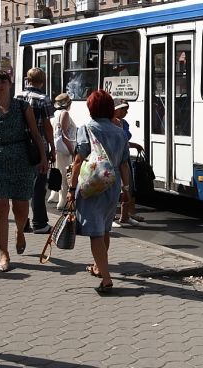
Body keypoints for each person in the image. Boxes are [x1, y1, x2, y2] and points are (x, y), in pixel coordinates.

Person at [0, 69, 48, 272]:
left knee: (21, 207)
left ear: (9, 84)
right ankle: (4, 254)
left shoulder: (23, 106)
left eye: (2, 81)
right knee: (0, 210)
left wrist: (43, 158)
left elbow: (36, 134)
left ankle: (19, 230)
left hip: (22, 162)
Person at [66, 90, 132, 294]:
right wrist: (126, 189)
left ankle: (106, 278)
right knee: (104, 229)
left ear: (91, 108)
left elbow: (78, 161)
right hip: (112, 186)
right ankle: (98, 267)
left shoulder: (87, 128)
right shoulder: (119, 131)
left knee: (95, 233)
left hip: (92, 185)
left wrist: (71, 187)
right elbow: (124, 164)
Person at [15, 67, 56, 235]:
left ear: (28, 80)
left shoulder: (18, 96)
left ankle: (22, 222)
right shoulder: (43, 99)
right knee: (38, 185)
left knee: (22, 185)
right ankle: (39, 223)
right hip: (38, 146)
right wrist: (52, 147)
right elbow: (47, 127)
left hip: (20, 145)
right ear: (43, 81)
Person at [111, 99, 143, 228]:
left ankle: (125, 216)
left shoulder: (124, 123)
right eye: (123, 109)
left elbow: (124, 142)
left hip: (125, 158)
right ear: (115, 109)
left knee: (127, 186)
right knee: (113, 188)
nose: (126, 112)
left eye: (127, 109)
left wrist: (133, 145)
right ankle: (111, 216)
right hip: (114, 160)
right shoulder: (110, 123)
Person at [47, 93, 78, 210]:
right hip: (64, 149)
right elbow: (64, 135)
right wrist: (72, 151)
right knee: (65, 175)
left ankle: (55, 196)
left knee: (58, 172)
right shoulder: (65, 113)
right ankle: (63, 201)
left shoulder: (56, 113)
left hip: (57, 148)